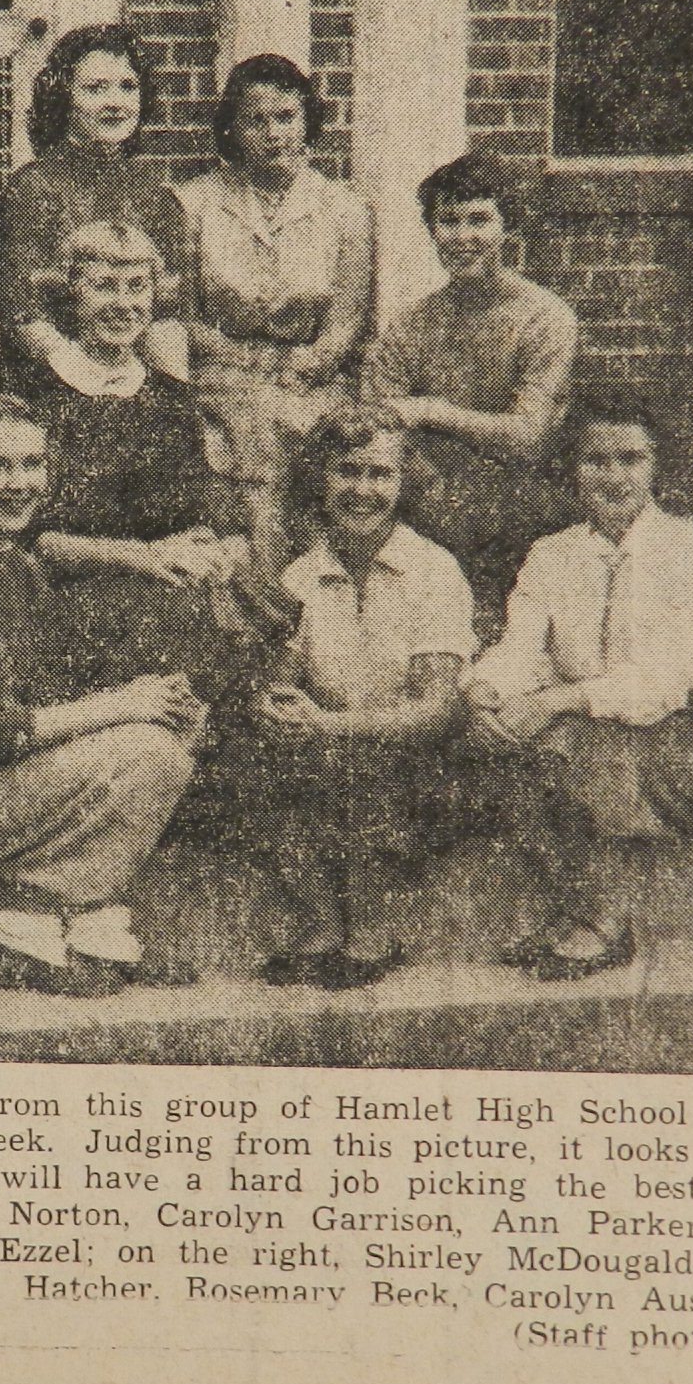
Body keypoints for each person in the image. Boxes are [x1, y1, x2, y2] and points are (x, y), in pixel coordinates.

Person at [0, 393, 202, 996]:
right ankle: (28, 931)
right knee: (150, 750)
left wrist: (152, 698)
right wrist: (125, 705)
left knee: (167, 732)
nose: (19, 483)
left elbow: (49, 689)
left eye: (31, 464)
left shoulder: (16, 560)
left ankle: (94, 937)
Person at [466, 397, 693, 980]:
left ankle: (605, 919)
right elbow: (522, 646)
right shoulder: (552, 553)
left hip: (679, 739)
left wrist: (559, 700)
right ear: (573, 468)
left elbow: (668, 677)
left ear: (656, 465)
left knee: (585, 739)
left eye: (630, 459)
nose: (613, 477)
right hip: (578, 730)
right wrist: (487, 692)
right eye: (595, 461)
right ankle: (570, 904)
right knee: (490, 736)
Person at [216, 409, 475, 988]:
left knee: (364, 763)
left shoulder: (432, 570)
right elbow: (286, 679)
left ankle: (373, 934)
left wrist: (332, 726)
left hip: (420, 752)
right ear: (321, 481)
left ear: (403, 484)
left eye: (380, 475)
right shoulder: (304, 576)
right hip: (330, 741)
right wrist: (275, 705)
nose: (363, 490)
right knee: (253, 758)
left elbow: (436, 709)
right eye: (347, 472)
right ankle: (319, 924)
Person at [1, 221, 273, 703]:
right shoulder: (33, 398)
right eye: (104, 286)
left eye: (137, 287)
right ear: (73, 294)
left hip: (166, 585)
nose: (123, 304)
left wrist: (220, 549)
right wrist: (143, 557)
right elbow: (33, 537)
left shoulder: (171, 399)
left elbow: (199, 511)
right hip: (73, 594)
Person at [364, 152, 578, 635]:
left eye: (479, 220)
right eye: (448, 222)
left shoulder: (545, 318)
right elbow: (379, 427)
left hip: (523, 508)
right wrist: (431, 492)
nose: (462, 237)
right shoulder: (411, 324)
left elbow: (528, 437)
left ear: (507, 227)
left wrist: (430, 411)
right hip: (430, 504)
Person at [175, 54, 374, 540]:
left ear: (306, 121)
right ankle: (262, 597)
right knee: (254, 432)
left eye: (285, 117)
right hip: (221, 375)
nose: (273, 133)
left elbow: (344, 327)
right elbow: (183, 317)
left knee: (328, 444)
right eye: (255, 121)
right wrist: (245, 361)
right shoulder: (193, 202)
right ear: (233, 130)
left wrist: (305, 366)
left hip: (312, 377)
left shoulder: (345, 209)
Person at [0, 25, 188, 382]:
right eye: (95, 88)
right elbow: (23, 315)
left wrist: (168, 390)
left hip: (137, 370)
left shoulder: (156, 196)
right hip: (51, 371)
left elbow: (168, 313)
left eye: (127, 87)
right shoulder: (32, 188)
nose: (115, 102)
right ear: (64, 99)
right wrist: (88, 376)